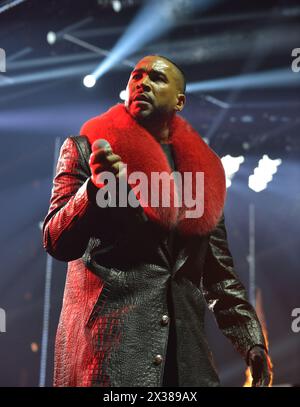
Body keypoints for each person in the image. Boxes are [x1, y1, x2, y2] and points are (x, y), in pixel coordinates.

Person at [42, 54, 272, 387]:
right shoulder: (84, 149)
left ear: (179, 101)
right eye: (136, 76)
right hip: (109, 358)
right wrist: (94, 188)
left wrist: (251, 341)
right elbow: (55, 240)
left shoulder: (203, 173)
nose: (143, 82)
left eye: (157, 78)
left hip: (188, 365)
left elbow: (219, 275)